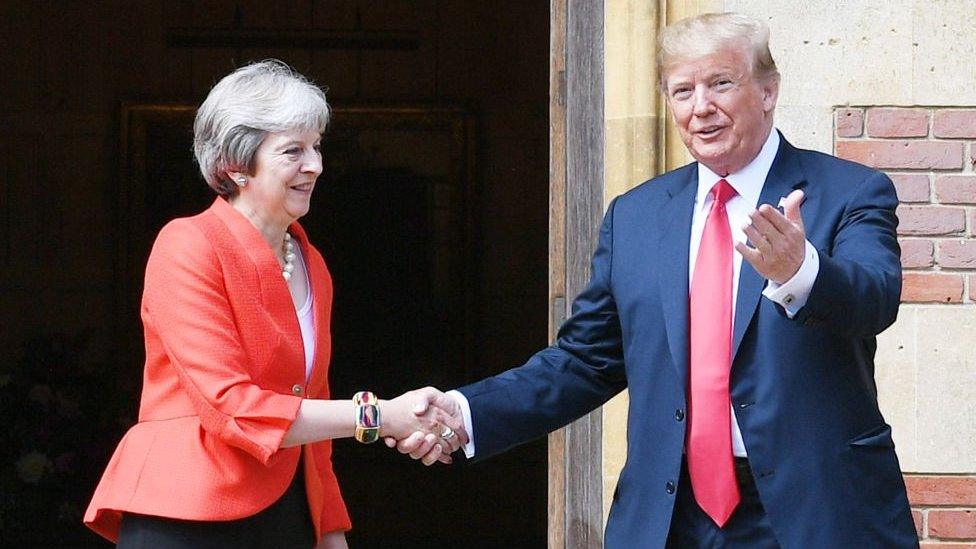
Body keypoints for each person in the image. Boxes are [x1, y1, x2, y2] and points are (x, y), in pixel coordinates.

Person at [393, 12, 917, 547]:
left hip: (816, 513)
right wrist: (466, 412)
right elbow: (584, 361)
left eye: (721, 83)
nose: (701, 107)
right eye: (682, 90)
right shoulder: (635, 216)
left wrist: (800, 272)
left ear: (767, 91)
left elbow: (875, 299)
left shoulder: (849, 191)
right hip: (671, 518)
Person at [84, 60, 466, 548]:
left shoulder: (312, 263)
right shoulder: (187, 245)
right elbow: (233, 408)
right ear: (234, 166)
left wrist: (330, 532)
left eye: (316, 147)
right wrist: (379, 415)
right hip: (189, 514)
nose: (316, 165)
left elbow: (311, 419)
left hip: (286, 515)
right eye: (293, 151)